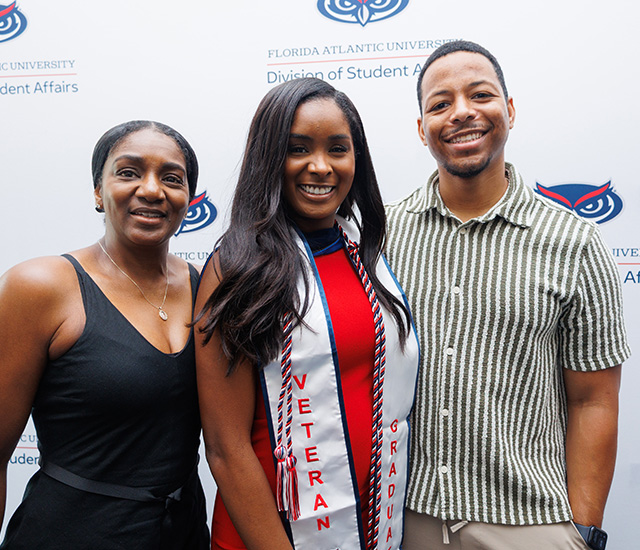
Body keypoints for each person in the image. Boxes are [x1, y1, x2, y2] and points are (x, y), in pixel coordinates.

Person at [385, 40, 630, 550]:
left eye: (481, 95)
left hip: (529, 524)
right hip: (406, 520)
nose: (462, 113)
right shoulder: (382, 236)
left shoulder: (575, 244)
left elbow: (594, 401)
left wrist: (581, 531)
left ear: (510, 110)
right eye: (440, 104)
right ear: (421, 127)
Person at [195, 77, 420, 550]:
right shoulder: (237, 267)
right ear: (269, 158)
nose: (321, 166)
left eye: (338, 149)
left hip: (372, 523)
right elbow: (225, 445)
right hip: (269, 534)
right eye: (298, 149)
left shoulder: (370, 258)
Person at [0, 120, 210, 549]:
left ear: (188, 197)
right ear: (98, 191)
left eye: (172, 178)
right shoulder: (41, 286)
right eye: (128, 172)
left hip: (183, 534)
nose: (151, 190)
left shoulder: (202, 285)